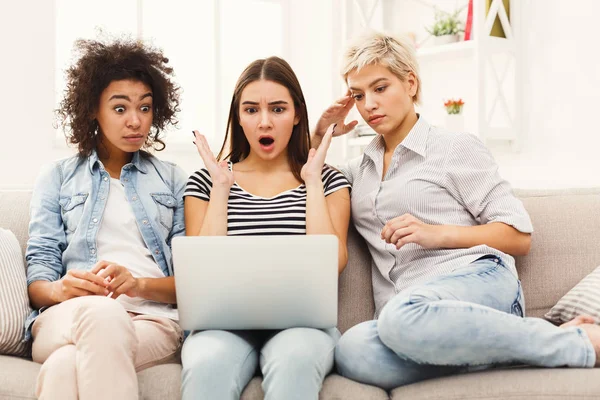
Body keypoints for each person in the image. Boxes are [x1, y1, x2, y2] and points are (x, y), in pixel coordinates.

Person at [311, 31, 600, 390]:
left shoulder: (454, 147)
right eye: (358, 95)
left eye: (380, 88)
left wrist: (437, 233)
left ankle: (577, 345)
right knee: (352, 350)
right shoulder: (358, 169)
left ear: (411, 83)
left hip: (478, 280)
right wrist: (319, 134)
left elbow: (519, 234)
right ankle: (512, 348)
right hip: (410, 315)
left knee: (400, 318)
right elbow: (298, 180)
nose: (368, 104)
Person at [25, 37, 187, 399]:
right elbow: (39, 274)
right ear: (92, 110)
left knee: (64, 366)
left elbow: (192, 281)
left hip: (152, 320)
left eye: (145, 108)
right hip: (67, 315)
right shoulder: (58, 177)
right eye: (119, 109)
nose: (135, 121)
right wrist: (60, 289)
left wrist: (137, 285)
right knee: (102, 315)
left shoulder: (174, 180)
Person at [181, 56, 351, 400]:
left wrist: (313, 182)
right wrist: (221, 188)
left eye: (277, 109)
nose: (264, 123)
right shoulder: (206, 181)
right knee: (207, 365)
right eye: (251, 110)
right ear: (238, 117)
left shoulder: (328, 180)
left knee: (295, 360)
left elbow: (332, 261)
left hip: (304, 328)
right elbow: (203, 269)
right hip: (221, 328)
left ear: (297, 114)